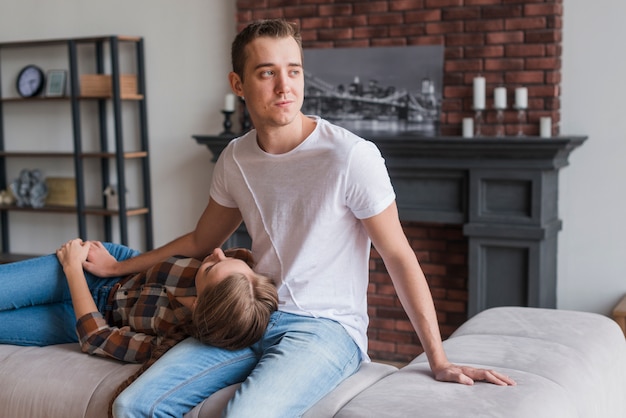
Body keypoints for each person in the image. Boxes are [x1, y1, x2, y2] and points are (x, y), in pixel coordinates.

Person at [87, 18, 516, 418]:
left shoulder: (350, 156)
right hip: (253, 315)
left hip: (326, 330)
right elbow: (202, 240)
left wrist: (436, 358)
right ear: (238, 83)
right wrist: (118, 267)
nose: (285, 86)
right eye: (267, 72)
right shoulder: (235, 159)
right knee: (132, 405)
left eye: (293, 70)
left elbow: (399, 257)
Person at [0, 239, 278, 362]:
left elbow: (97, 338)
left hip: (85, 315)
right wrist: (117, 265)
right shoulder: (224, 273)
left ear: (197, 305)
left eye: (210, 269)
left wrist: (72, 269)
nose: (217, 252)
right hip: (103, 272)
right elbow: (154, 259)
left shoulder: (170, 341)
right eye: (228, 260)